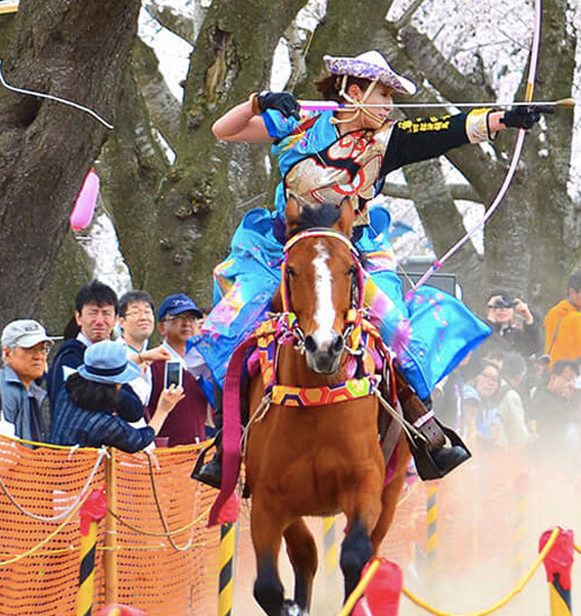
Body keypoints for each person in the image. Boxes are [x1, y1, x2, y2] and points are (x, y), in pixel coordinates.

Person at [192, 50, 543, 481]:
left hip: (354, 255)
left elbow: (444, 130)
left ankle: (422, 424)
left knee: (396, 327)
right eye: (383, 95)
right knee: (228, 325)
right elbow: (221, 130)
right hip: (281, 251)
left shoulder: (384, 141)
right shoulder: (296, 124)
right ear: (353, 92)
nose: (389, 106)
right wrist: (257, 101)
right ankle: (228, 437)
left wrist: (503, 118)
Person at [49, 342, 184, 452]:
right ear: (117, 383)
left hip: (52, 475)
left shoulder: (67, 390)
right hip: (81, 482)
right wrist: (163, 410)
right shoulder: (103, 424)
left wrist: (141, 357)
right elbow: (139, 440)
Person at [49, 281, 145, 427]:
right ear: (78, 317)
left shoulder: (113, 359)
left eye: (106, 314)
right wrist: (112, 389)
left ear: (115, 320)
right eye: (92, 313)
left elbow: (135, 410)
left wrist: (109, 391)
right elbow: (68, 407)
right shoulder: (69, 356)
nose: (99, 321)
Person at [148, 294, 213, 446]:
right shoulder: (153, 363)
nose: (187, 324)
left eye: (192, 318)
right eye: (178, 318)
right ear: (161, 327)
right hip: (164, 455)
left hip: (199, 450)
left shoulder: (204, 363)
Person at [1, 320, 59, 441]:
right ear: (7, 353)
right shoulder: (4, 392)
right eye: (30, 349)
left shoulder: (35, 391)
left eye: (43, 349)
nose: (38, 356)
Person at [543, 270, 581, 365]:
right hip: (569, 371)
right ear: (572, 292)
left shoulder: (553, 312)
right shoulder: (578, 318)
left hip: (551, 367)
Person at [484, 290, 540, 359]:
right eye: (498, 306)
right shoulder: (477, 327)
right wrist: (490, 319)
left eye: (508, 306)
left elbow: (532, 348)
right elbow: (481, 343)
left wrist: (528, 318)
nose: (503, 309)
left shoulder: (516, 335)